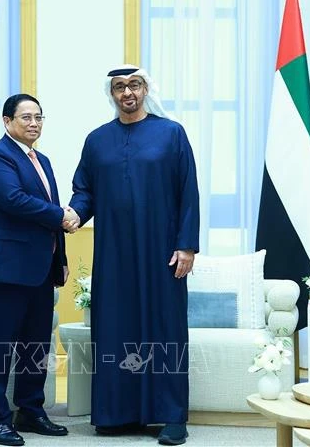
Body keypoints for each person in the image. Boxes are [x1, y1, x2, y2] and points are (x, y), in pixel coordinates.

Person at [65, 65, 200, 446]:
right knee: (114, 327)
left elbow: (188, 192)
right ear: (111, 94)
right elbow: (85, 190)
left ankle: (172, 416)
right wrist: (74, 212)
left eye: (134, 85)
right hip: (113, 252)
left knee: (166, 328)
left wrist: (186, 244)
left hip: (162, 252)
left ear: (146, 90)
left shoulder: (171, 133)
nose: (127, 93)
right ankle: (116, 413)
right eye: (120, 87)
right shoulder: (96, 140)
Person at [0, 94, 76, 446]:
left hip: (40, 269)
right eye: (25, 117)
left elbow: (46, 212)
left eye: (38, 117)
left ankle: (31, 411)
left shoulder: (42, 160)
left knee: (37, 345)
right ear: (7, 121)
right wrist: (62, 216)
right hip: (6, 269)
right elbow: (13, 200)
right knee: (1, 346)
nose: (33, 123)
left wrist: (60, 259)